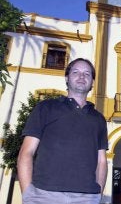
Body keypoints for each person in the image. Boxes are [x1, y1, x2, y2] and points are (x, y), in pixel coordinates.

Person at [17, 58, 108, 204]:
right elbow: (26, 152)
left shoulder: (99, 119)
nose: (81, 76)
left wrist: (98, 194)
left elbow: (102, 161)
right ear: (67, 78)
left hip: (87, 198)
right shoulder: (45, 108)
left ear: (92, 82)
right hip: (44, 196)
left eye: (87, 74)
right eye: (76, 72)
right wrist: (28, 195)